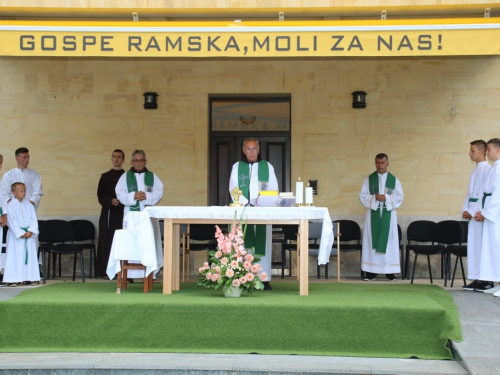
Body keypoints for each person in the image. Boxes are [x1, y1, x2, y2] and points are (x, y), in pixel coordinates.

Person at [229, 137, 279, 290]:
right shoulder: (237, 167)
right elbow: (233, 188)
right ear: (244, 151)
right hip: (245, 210)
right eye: (248, 149)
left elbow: (274, 188)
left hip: (263, 211)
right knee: (244, 243)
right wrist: (246, 203)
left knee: (263, 244)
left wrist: (262, 202)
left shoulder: (267, 167)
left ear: (259, 150)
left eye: (254, 148)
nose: (251, 152)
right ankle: (245, 277)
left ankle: (264, 279)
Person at [115, 150, 164, 280]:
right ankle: (129, 274)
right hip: (131, 217)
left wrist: (146, 196)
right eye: (136, 160)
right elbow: (119, 193)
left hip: (148, 216)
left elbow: (159, 192)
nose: (139, 163)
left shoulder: (153, 176)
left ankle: (149, 273)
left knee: (149, 243)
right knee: (132, 244)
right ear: (132, 162)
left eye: (141, 160)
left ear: (145, 161)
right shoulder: (125, 177)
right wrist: (133, 196)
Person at [359, 153, 404, 281]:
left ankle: (389, 272)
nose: (380, 165)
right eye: (378, 163)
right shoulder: (368, 180)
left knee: (388, 242)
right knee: (372, 241)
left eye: (382, 163)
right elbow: (362, 196)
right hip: (373, 215)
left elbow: (400, 197)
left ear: (387, 164)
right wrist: (373, 198)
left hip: (388, 216)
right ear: (375, 163)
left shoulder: (394, 181)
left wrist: (387, 198)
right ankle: (371, 272)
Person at [460, 140, 492, 291]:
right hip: (472, 213)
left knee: (481, 246)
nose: (470, 153)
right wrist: (465, 210)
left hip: (479, 214)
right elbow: (469, 194)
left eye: (472, 151)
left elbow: (482, 195)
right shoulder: (475, 170)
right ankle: (477, 277)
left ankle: (485, 279)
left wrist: (473, 212)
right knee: (474, 247)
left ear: (482, 151)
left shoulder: (487, 170)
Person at [474, 138, 500, 296]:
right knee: (492, 249)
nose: (487, 152)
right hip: (490, 213)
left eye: (489, 149)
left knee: (498, 247)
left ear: (498, 150)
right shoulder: (494, 168)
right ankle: (497, 281)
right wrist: (480, 210)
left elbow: (498, 195)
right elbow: (484, 192)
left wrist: (485, 213)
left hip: (496, 215)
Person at [2, 182, 40, 287]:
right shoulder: (10, 205)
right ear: (14, 192)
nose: (24, 193)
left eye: (24, 191)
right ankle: (13, 279)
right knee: (15, 256)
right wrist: (19, 233)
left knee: (28, 256)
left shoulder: (28, 204)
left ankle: (29, 277)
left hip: (28, 234)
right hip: (16, 236)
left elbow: (33, 219)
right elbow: (10, 220)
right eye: (21, 191)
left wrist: (31, 230)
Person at [96, 149, 126, 279]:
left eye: (119, 157)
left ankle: (122, 271)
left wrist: (121, 201)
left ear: (123, 160)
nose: (117, 159)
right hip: (108, 212)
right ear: (111, 158)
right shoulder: (105, 176)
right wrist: (110, 201)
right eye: (114, 156)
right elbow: (100, 194)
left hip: (122, 213)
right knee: (107, 240)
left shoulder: (126, 176)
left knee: (122, 241)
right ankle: (106, 271)